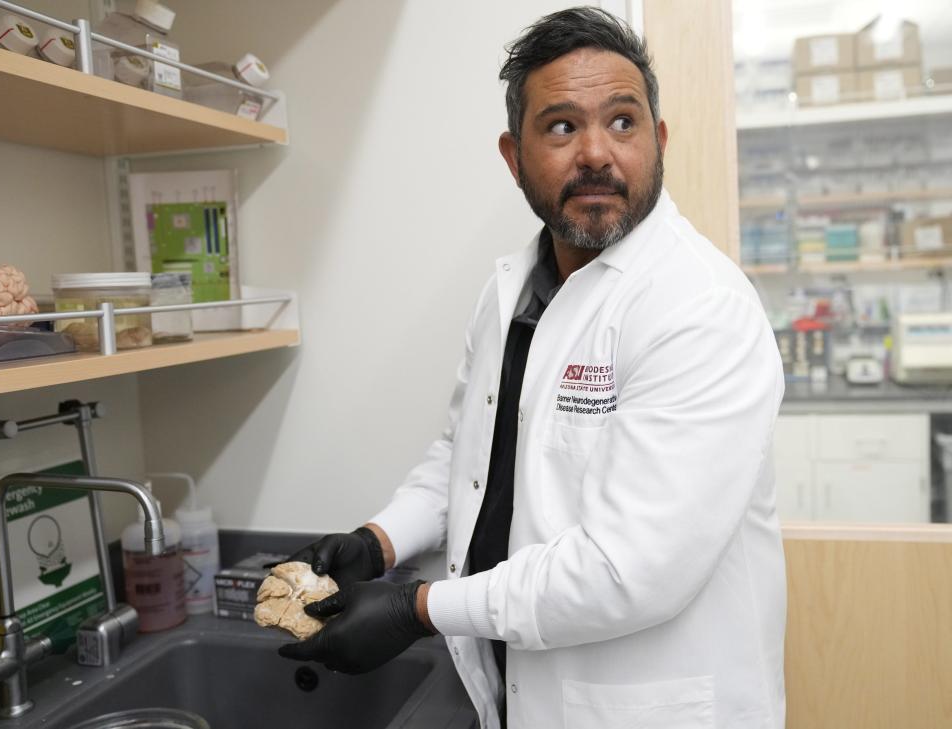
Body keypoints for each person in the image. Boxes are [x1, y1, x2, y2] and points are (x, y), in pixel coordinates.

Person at [278, 7, 786, 729]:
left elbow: (626, 570)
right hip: (523, 695)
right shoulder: (511, 290)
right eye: (560, 127)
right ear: (514, 156)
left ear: (659, 141)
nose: (596, 153)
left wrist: (412, 607)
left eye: (622, 122)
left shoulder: (699, 307)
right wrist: (379, 540)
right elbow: (472, 454)